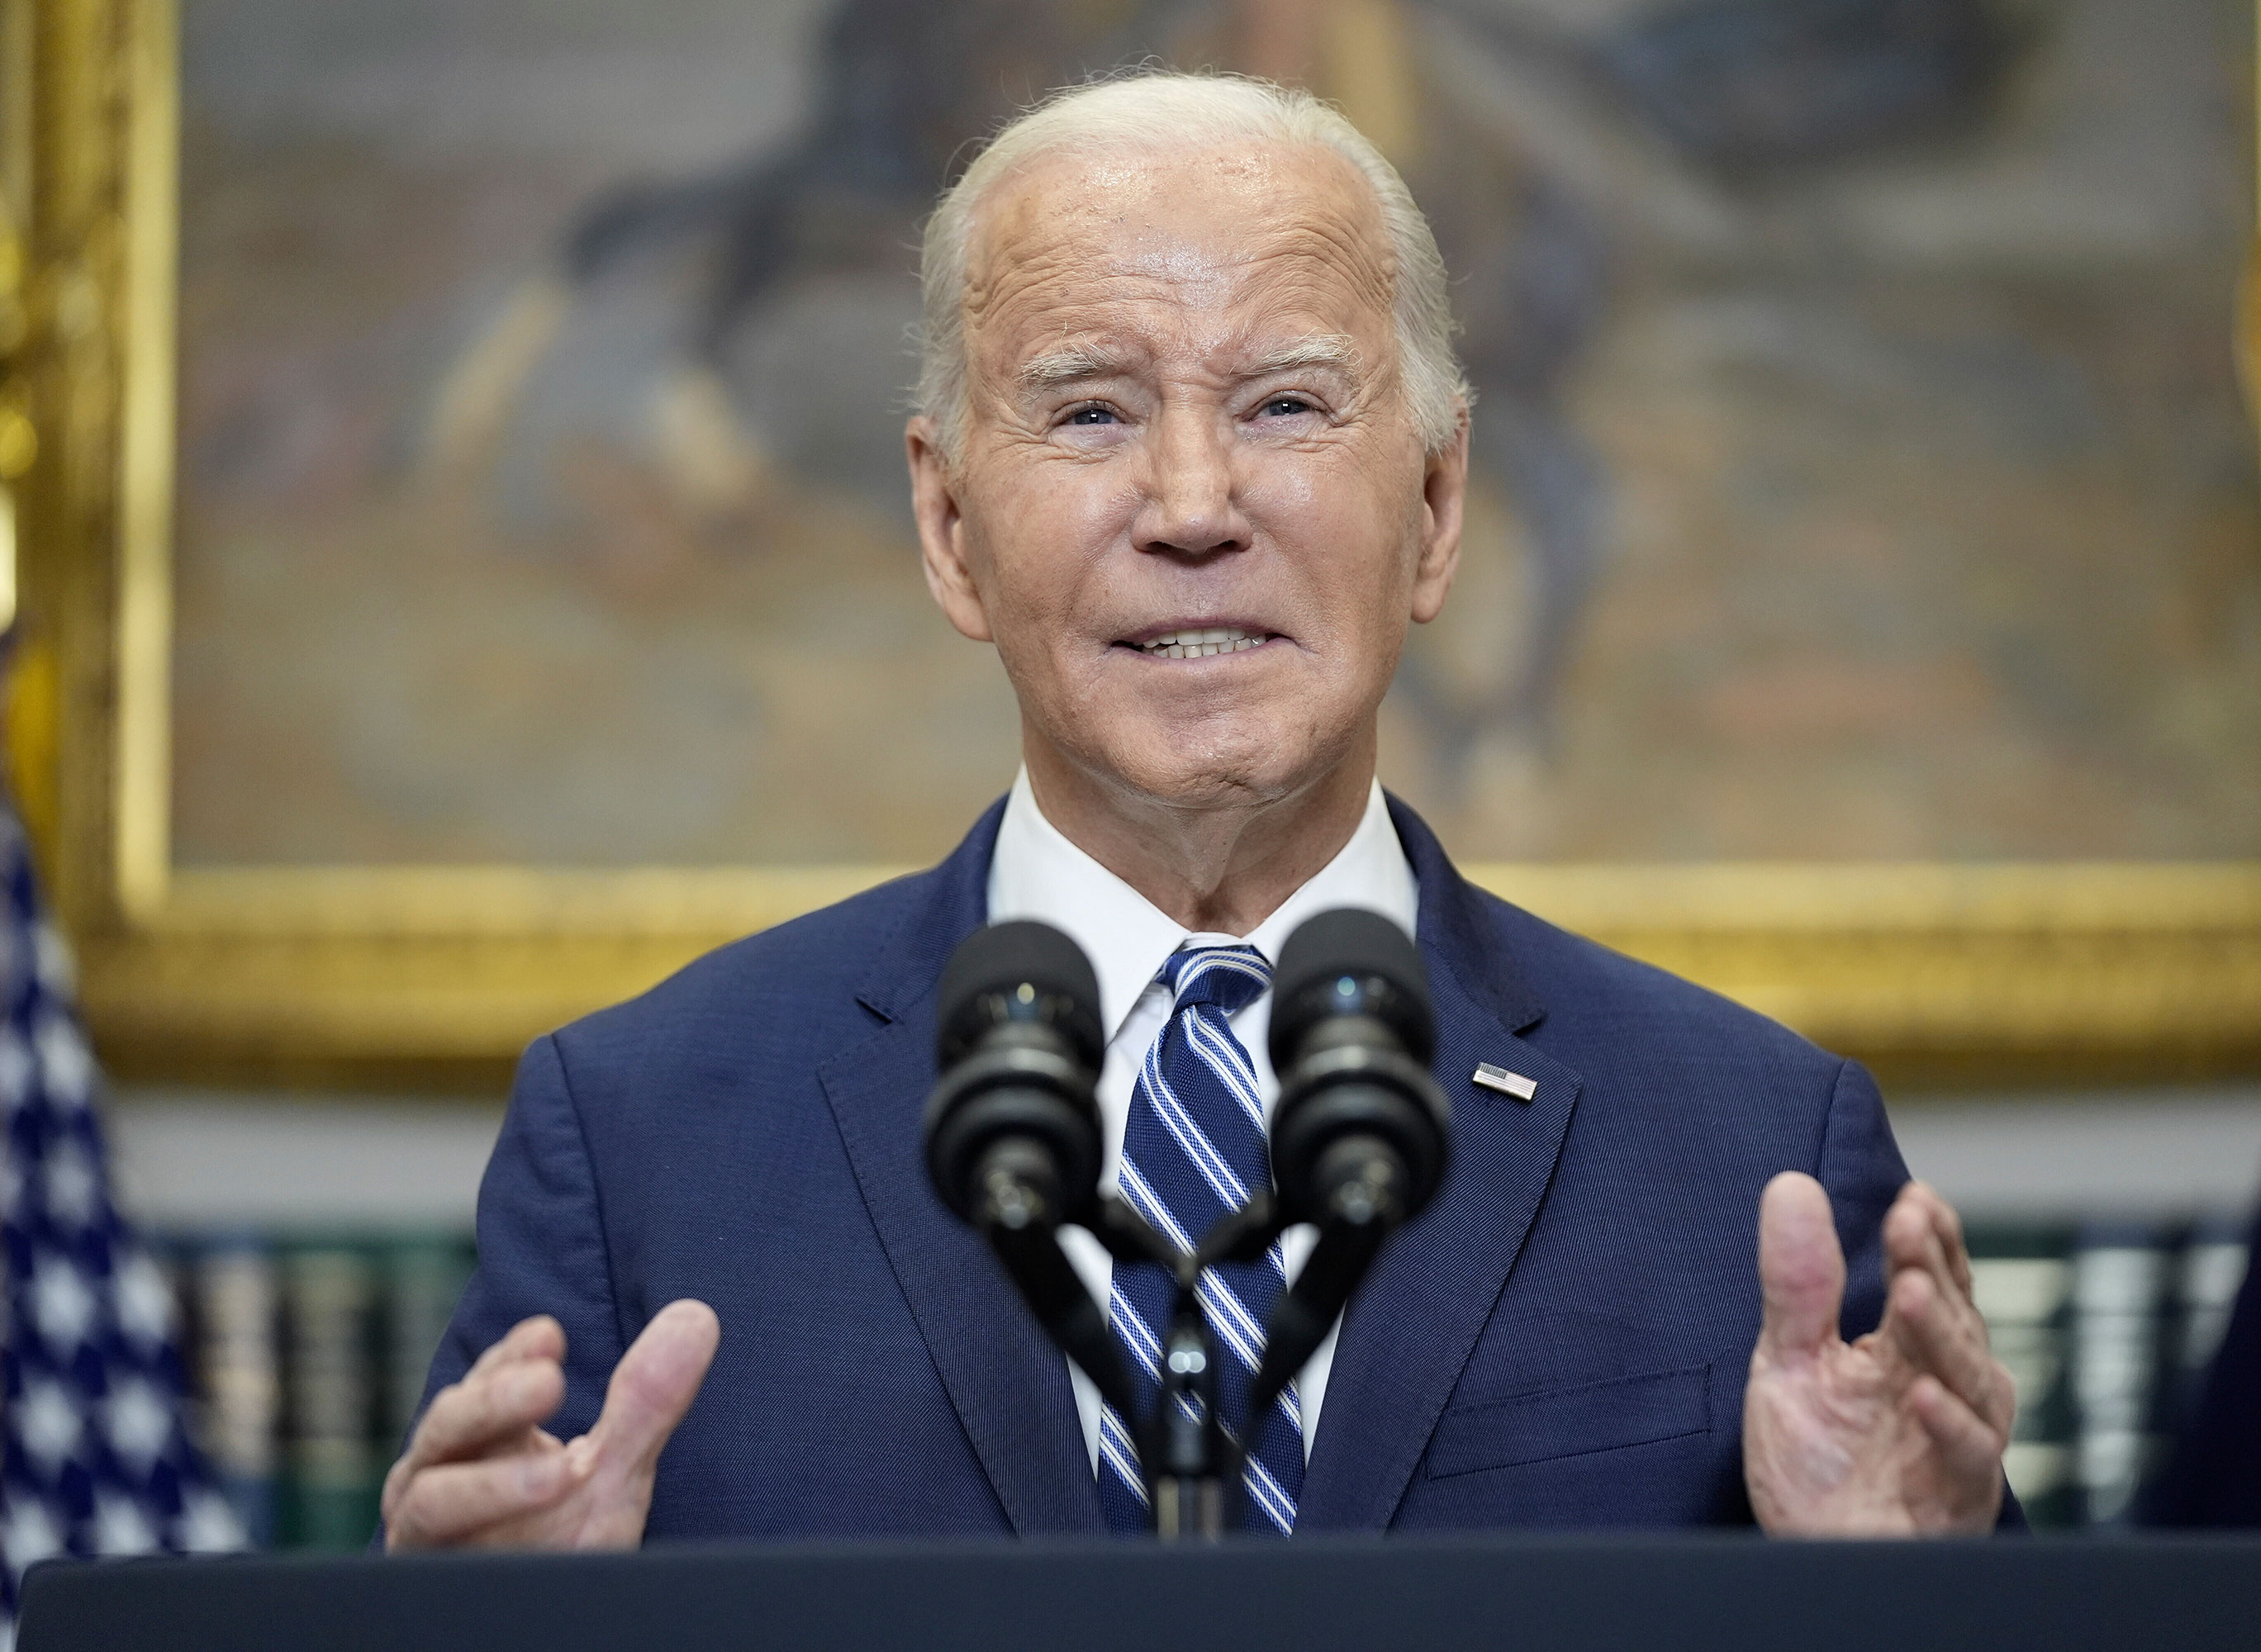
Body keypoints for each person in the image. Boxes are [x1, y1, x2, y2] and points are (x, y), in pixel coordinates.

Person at [378, 72, 2016, 1550]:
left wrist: (1913, 1616)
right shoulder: (644, 1140)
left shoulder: (1754, 1158)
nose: (1190, 503)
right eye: (1090, 409)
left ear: (1439, 507)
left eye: (1286, 404)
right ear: (949, 528)